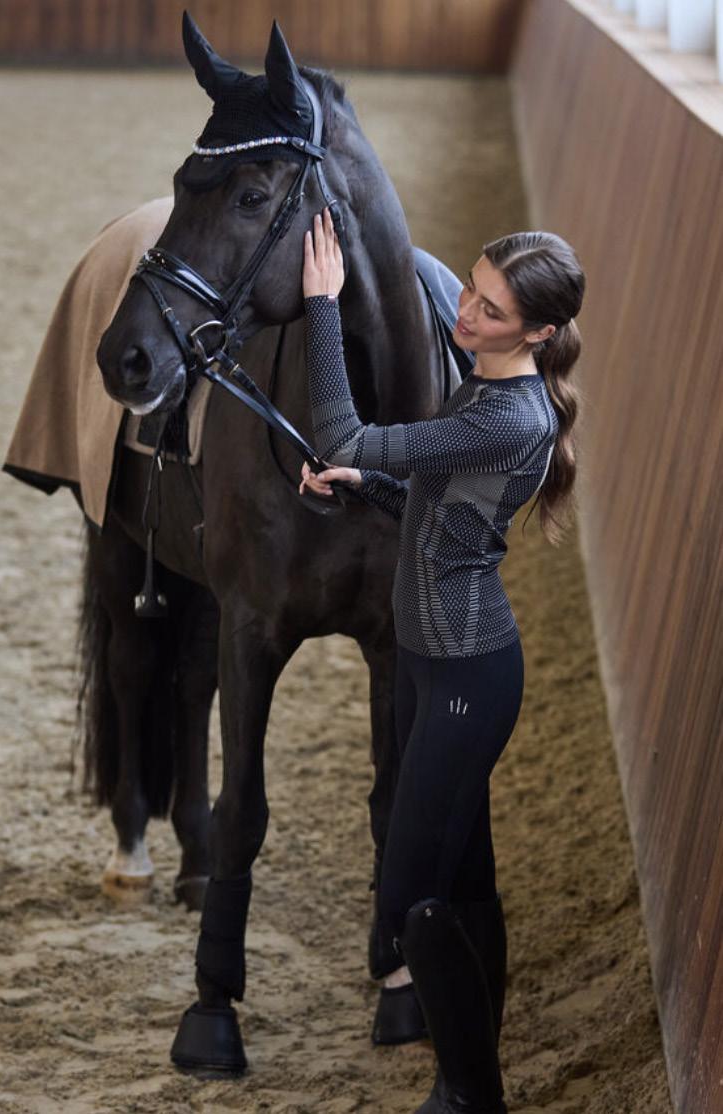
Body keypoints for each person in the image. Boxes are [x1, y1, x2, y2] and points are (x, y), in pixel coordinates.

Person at [300, 210, 585, 1114]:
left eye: (491, 310)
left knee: (407, 898)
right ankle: (474, 1081)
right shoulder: (481, 389)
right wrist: (366, 483)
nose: (465, 311)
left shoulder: (506, 414)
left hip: (466, 676)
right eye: (469, 288)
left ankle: (468, 1094)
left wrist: (322, 305)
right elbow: (436, 509)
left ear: (538, 332)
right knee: (464, 881)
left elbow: (344, 432)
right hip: (433, 666)